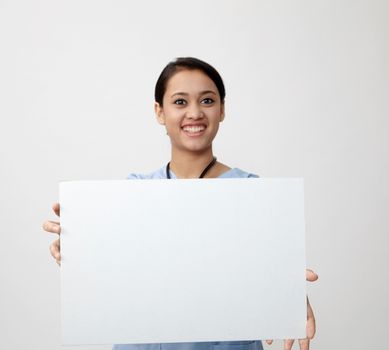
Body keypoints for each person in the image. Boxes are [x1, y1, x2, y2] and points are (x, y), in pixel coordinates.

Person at [43, 57, 318, 350]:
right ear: (159, 112)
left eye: (208, 100)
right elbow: (110, 273)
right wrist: (76, 246)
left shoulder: (252, 193)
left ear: (222, 109)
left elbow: (267, 273)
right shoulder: (132, 193)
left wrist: (288, 294)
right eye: (180, 102)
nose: (195, 113)